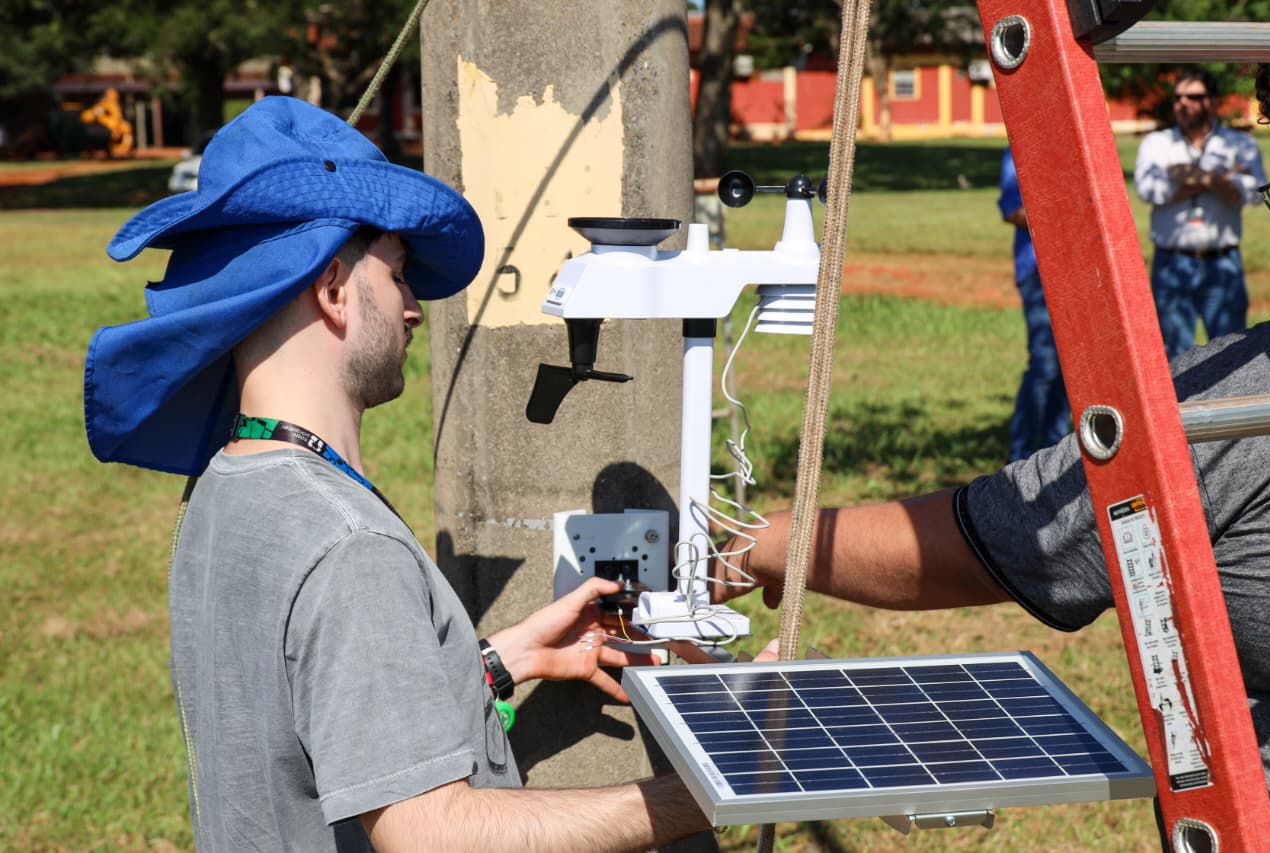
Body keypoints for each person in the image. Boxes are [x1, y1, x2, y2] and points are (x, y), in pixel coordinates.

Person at [84, 96, 764, 851]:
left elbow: (304, 714)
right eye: (399, 275)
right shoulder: (346, 546)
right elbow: (431, 832)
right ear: (334, 288)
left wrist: (501, 661)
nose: (413, 309)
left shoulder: (222, 489)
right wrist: (714, 791)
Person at [711, 66, 1270, 836]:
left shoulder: (1233, 408)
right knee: (1046, 370)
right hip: (1128, 268)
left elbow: (1016, 540)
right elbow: (1023, 210)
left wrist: (775, 540)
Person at [1134, 67, 1267, 359]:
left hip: (1223, 264)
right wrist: (1219, 179)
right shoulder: (1156, 144)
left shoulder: (1239, 144)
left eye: (1193, 97)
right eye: (1178, 97)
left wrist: (1190, 176)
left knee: (1232, 356)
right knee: (1173, 357)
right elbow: (1148, 189)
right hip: (1171, 263)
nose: (1183, 104)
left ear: (1213, 101)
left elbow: (1255, 192)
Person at [998, 147, 1071, 460]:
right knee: (1044, 365)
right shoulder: (1019, 152)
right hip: (1037, 271)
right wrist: (1062, 210)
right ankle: (1021, 456)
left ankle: (1055, 452)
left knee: (1070, 366)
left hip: (1075, 272)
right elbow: (1012, 211)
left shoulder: (1072, 148)